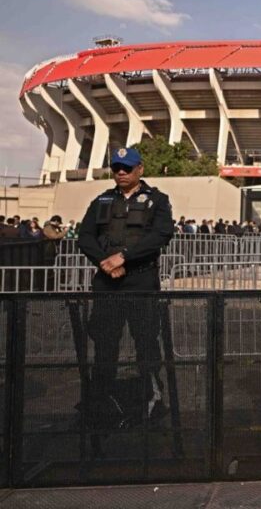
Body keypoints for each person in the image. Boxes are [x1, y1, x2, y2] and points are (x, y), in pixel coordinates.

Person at [78, 147, 174, 421]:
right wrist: (105, 262)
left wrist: (124, 257)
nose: (121, 172)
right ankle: (102, 401)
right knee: (105, 342)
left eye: (127, 168)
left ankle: (152, 399)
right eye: (116, 168)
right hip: (107, 282)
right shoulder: (102, 200)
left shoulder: (157, 200)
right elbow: (85, 236)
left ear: (140, 169)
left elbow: (161, 235)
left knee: (146, 339)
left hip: (141, 281)